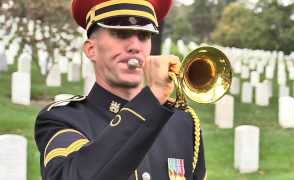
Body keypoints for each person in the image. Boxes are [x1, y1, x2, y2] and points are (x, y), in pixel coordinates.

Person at [34, 0, 207, 179]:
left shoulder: (183, 122)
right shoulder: (63, 119)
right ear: (91, 49)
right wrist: (152, 97)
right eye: (121, 33)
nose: (135, 46)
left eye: (144, 35)